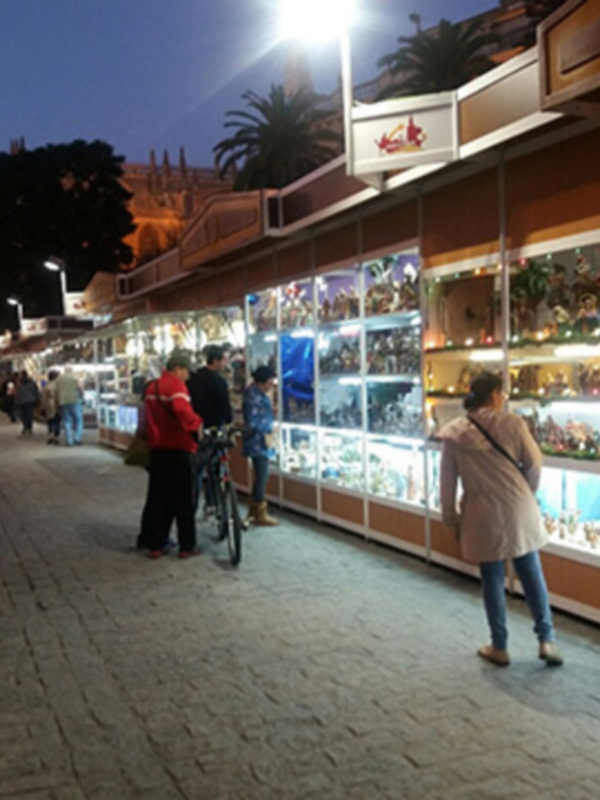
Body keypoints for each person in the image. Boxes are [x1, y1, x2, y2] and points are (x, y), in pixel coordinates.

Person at [440, 372, 563, 667]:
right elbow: (534, 464)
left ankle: (500, 646)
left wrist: (451, 519)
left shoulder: (454, 433)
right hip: (518, 507)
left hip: (482, 513)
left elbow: (446, 483)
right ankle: (546, 640)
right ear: (495, 394)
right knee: (531, 572)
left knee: (492, 578)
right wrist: (524, 491)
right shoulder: (512, 423)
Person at [143, 351, 203, 559]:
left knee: (160, 500)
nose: (188, 376)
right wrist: (197, 423)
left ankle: (156, 544)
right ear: (178, 368)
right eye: (187, 372)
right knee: (184, 501)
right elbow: (182, 412)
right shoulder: (176, 387)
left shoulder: (152, 387)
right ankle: (187, 546)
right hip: (179, 448)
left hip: (157, 449)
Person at [187, 344, 233, 513]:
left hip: (196, 429)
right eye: (224, 360)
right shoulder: (218, 380)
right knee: (215, 468)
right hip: (215, 428)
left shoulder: (194, 378)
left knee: (197, 471)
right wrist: (229, 421)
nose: (225, 364)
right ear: (215, 361)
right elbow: (225, 406)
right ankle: (211, 503)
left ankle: (192, 505)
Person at [242, 365, 278, 526]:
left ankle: (254, 509)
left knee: (261, 475)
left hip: (260, 440)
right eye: (270, 381)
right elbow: (253, 421)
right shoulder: (253, 396)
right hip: (258, 441)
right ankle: (259, 512)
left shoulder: (255, 394)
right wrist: (268, 428)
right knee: (262, 475)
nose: (272, 385)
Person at [55, 366, 84, 446]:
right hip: (74, 400)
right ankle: (77, 438)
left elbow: (56, 391)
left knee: (67, 421)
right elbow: (80, 388)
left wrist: (57, 402)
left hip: (63, 402)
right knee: (78, 420)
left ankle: (69, 440)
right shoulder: (75, 377)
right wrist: (82, 396)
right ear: (71, 370)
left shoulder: (59, 379)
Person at [15, 371, 39, 436]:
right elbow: (36, 391)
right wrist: (36, 399)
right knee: (29, 414)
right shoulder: (32, 383)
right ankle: (29, 427)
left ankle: (26, 426)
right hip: (30, 400)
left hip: (22, 401)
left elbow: (18, 394)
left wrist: (17, 401)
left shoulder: (20, 384)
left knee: (23, 414)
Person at [41, 369, 61, 444]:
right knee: (57, 419)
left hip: (48, 404)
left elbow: (43, 397)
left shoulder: (46, 385)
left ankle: (50, 434)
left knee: (50, 420)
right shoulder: (58, 385)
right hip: (56, 403)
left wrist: (43, 407)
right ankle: (56, 435)